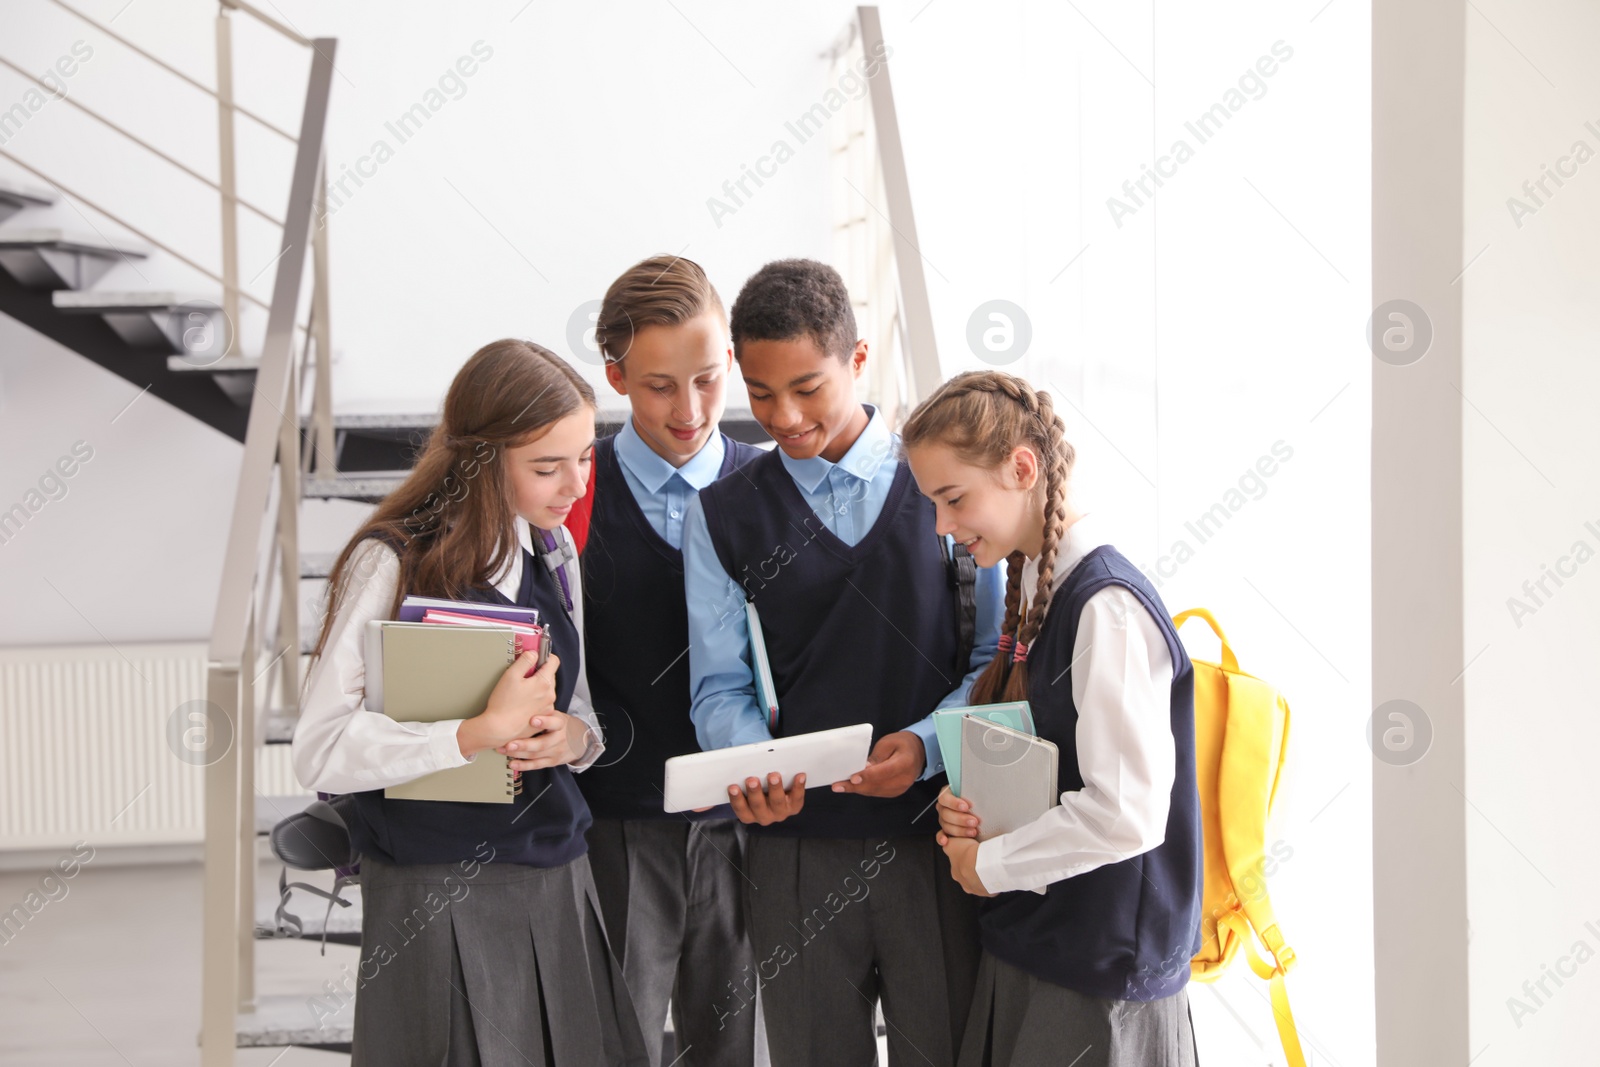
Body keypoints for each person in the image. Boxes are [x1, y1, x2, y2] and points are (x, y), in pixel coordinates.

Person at [682, 259, 1005, 1066]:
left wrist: (927, 744)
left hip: (939, 837)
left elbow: (995, 661)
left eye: (807, 387)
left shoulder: (945, 486)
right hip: (794, 849)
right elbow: (720, 685)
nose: (784, 416)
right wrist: (754, 766)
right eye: (758, 392)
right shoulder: (721, 516)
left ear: (858, 362)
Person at [294, 338, 649, 1066]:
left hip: (556, 874)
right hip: (435, 886)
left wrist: (571, 739)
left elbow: (580, 712)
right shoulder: (390, 561)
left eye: (586, 457)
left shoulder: (554, 553)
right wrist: (472, 733)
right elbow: (320, 748)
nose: (576, 485)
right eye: (548, 466)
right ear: (481, 460)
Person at [902, 369, 1202, 1067]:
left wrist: (992, 862)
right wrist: (974, 809)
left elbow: (1127, 811)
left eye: (953, 499)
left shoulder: (1107, 608)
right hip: (1042, 949)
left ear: (1023, 468)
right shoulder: (1040, 584)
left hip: (1096, 977)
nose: (943, 528)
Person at [579, 254, 768, 1065]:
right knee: (611, 1044)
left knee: (736, 1049)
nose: (689, 409)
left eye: (707, 377)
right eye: (659, 385)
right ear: (617, 375)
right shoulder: (571, 497)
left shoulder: (775, 491)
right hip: (619, 827)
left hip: (753, 823)